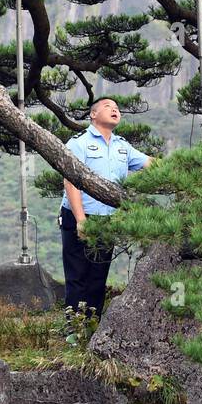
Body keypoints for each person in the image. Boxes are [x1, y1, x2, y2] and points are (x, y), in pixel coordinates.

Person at [59, 96, 152, 322]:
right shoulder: (78, 142)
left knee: (98, 276)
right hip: (79, 216)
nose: (114, 110)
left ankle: (92, 324)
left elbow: (150, 163)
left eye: (117, 108)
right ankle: (73, 328)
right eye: (108, 107)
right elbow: (70, 181)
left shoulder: (122, 146)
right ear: (93, 114)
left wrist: (189, 164)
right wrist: (81, 220)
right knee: (77, 274)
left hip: (107, 218)